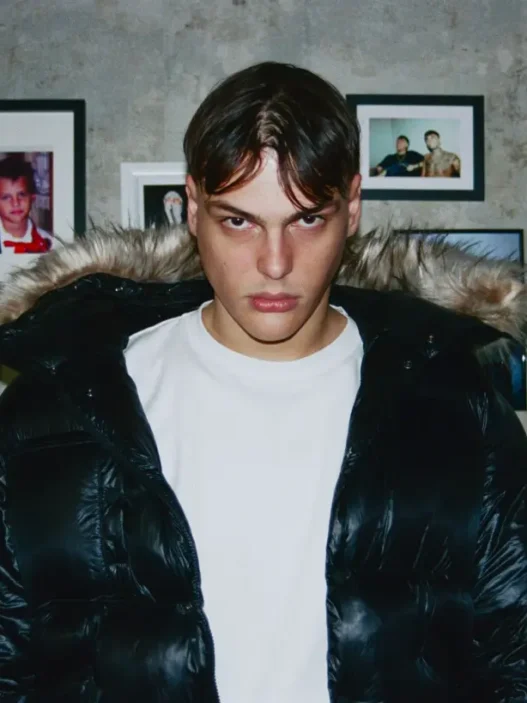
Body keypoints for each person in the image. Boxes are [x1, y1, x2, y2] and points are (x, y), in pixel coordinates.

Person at [0, 62, 526, 703]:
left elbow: (514, 654)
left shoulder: (457, 402)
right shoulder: (56, 405)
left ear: (352, 207)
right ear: (192, 208)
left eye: (306, 220)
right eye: (239, 221)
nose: (275, 264)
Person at [0, 156, 53, 254]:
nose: (16, 203)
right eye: (6, 197)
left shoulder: (50, 244)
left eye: (21, 194)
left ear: (32, 197)